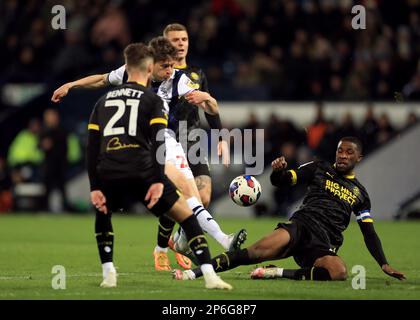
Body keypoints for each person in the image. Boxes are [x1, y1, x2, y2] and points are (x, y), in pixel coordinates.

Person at [51, 34, 247, 271]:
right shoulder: (131, 72)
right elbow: (102, 80)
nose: (170, 70)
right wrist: (71, 85)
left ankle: (215, 241)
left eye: (172, 65)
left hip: (165, 139)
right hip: (134, 141)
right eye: (165, 66)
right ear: (151, 64)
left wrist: (207, 97)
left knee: (191, 195)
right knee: (163, 197)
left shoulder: (179, 79)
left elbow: (211, 107)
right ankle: (199, 243)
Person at [87, 42, 232, 290]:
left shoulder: (104, 100)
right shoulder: (152, 100)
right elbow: (158, 140)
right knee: (188, 212)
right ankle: (211, 273)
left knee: (104, 214)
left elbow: (92, 146)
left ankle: (109, 272)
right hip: (149, 163)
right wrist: (156, 180)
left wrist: (95, 185)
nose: (169, 69)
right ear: (149, 67)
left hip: (113, 164)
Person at [173, 137, 406, 282]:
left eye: (349, 152)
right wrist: (277, 171)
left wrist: (383, 263)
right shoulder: (319, 168)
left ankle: (275, 273)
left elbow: (369, 232)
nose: (343, 155)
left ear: (359, 157)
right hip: (301, 225)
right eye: (340, 151)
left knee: (339, 272)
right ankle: (194, 273)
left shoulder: (360, 194)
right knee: (252, 253)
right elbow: (282, 181)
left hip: (324, 242)